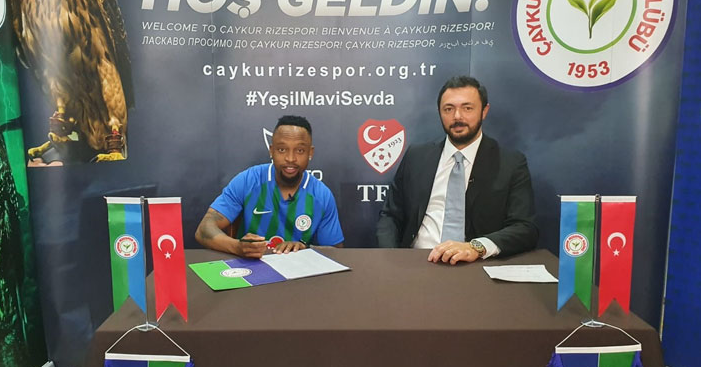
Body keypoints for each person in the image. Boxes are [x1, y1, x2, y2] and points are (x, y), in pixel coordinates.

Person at [376, 76, 538, 264]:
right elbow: (390, 216)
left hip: (476, 265)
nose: (457, 117)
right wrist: (391, 259)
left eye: (467, 108)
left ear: (484, 111)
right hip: (417, 262)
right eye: (448, 109)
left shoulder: (510, 163)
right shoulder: (416, 157)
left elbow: (525, 227)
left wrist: (476, 247)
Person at [195, 115, 344, 258]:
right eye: (282, 149)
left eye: (299, 150)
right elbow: (204, 229)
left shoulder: (322, 195)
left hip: (298, 272)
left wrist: (305, 249)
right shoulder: (248, 180)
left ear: (310, 153)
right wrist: (238, 247)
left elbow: (336, 252)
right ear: (271, 151)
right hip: (250, 269)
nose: (290, 158)